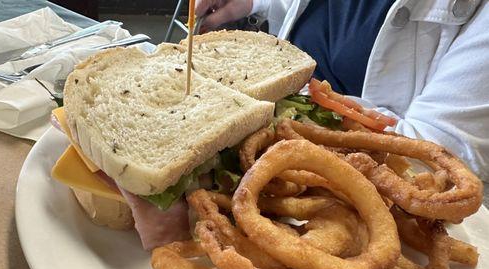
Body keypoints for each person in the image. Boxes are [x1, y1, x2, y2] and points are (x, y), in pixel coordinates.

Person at [196, 0, 489, 182]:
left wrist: (301, 105)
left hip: (344, 186)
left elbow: (445, 153)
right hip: (267, 148)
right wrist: (256, 3)